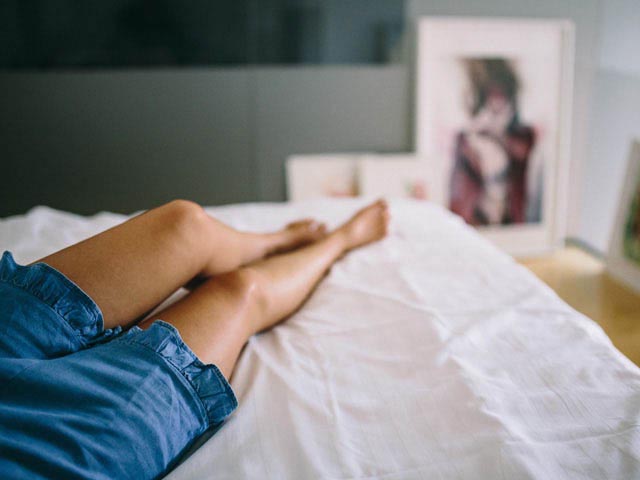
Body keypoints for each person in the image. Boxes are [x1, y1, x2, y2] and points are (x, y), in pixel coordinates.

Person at [0, 198, 389, 479]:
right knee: (239, 291)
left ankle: (270, 242)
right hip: (47, 453)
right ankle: (339, 241)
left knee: (186, 225)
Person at [449, 58, 537, 226]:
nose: (496, 106)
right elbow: (459, 200)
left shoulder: (522, 139)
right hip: (477, 223)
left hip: (512, 226)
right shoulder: (467, 142)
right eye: (491, 99)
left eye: (501, 98)